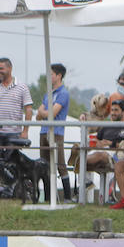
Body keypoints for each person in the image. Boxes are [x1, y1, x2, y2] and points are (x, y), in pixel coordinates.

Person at [0, 57, 34, 153]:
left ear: (10, 69)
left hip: (14, 132)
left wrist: (25, 131)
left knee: (12, 162)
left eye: (1, 69)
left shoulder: (22, 87)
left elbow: (29, 110)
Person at [36, 62, 73, 203]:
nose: (49, 77)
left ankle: (68, 197)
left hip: (56, 132)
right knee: (44, 165)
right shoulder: (49, 94)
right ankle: (47, 197)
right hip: (43, 131)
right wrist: (44, 112)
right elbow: (39, 115)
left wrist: (44, 112)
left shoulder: (63, 93)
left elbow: (52, 113)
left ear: (59, 75)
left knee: (60, 164)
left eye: (51, 74)